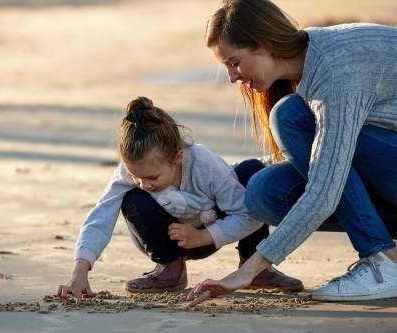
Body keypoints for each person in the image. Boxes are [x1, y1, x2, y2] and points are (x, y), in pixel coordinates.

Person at [187, 0, 397, 306]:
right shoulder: (307, 65)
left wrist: (246, 272)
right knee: (264, 191)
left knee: (289, 115)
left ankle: (382, 260)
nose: (232, 77)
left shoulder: (334, 71)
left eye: (234, 62)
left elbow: (326, 189)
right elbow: (327, 156)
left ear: (264, 46)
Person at [57, 96, 303, 302]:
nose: (145, 184)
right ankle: (169, 269)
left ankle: (255, 266)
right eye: (136, 176)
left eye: (153, 177)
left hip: (213, 229)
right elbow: (100, 216)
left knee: (251, 171)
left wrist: (203, 237)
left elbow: (249, 215)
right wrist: (80, 271)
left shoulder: (202, 162)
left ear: (176, 158)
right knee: (132, 197)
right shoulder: (129, 175)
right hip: (166, 238)